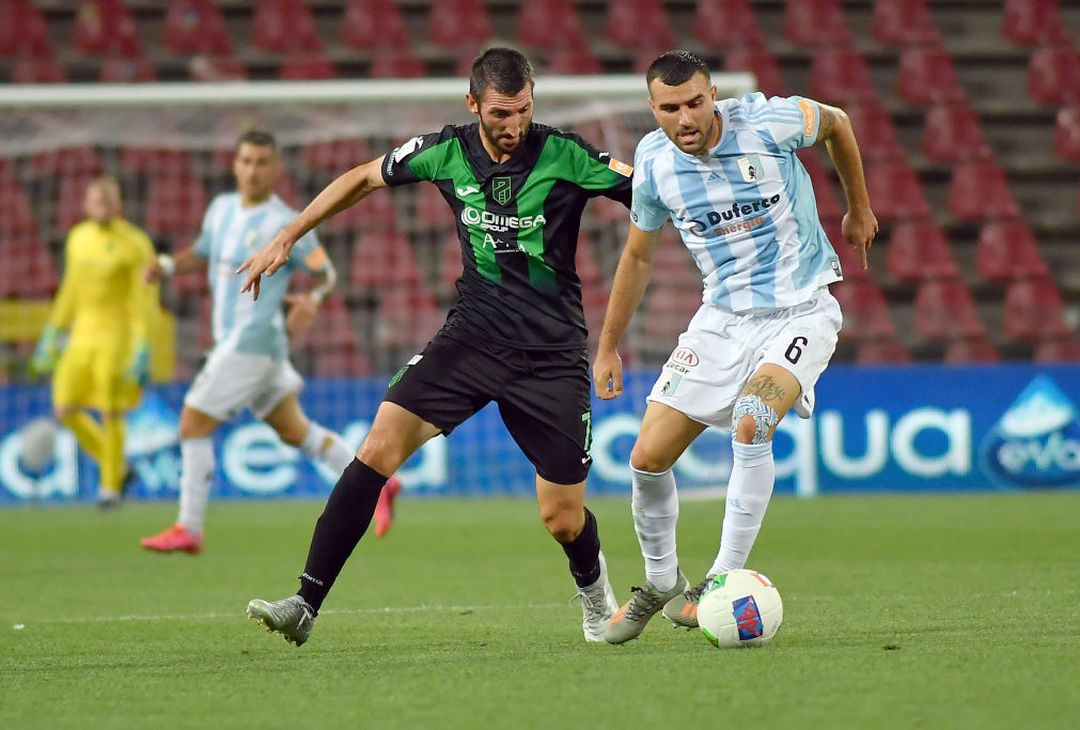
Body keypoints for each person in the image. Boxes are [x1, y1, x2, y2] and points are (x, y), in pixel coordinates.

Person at [238, 47, 634, 646]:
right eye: (501, 113)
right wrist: (289, 234)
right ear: (472, 104)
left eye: (524, 110)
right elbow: (363, 177)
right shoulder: (445, 151)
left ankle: (594, 590)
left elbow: (650, 194)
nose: (515, 126)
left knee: (561, 517)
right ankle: (305, 602)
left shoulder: (566, 155)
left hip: (551, 357)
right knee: (376, 446)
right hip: (471, 339)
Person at [595, 51, 877, 644]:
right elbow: (639, 255)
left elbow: (838, 124)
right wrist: (608, 346)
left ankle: (720, 582)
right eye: (670, 108)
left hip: (802, 309)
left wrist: (858, 207)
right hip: (720, 321)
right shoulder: (651, 162)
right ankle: (662, 580)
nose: (686, 117)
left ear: (713, 95)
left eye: (696, 102)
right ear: (654, 110)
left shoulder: (768, 122)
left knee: (753, 420)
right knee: (646, 459)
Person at [138, 130, 400, 554]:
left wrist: (311, 300)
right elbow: (203, 250)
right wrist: (167, 264)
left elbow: (326, 274)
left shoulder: (287, 222)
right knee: (295, 431)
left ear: (276, 169)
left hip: (252, 342)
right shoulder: (221, 209)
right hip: (250, 346)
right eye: (246, 161)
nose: (252, 170)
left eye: (262, 162)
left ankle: (189, 526)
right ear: (235, 165)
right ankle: (381, 483)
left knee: (192, 423)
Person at [29, 176, 157, 508]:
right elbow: (71, 290)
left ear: (118, 205)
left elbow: (143, 298)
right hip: (81, 336)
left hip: (117, 336)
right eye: (96, 201)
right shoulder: (77, 238)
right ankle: (118, 466)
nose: (102, 206)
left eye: (108, 200)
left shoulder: (135, 243)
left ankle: (109, 489)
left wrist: (143, 343)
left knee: (111, 411)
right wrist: (52, 332)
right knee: (65, 407)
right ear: (86, 205)